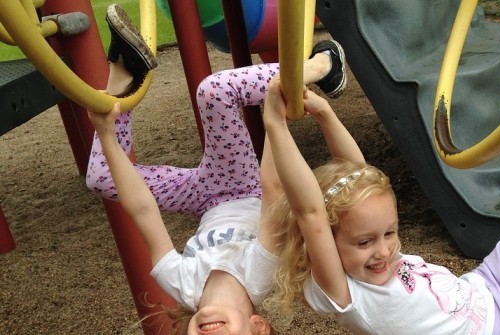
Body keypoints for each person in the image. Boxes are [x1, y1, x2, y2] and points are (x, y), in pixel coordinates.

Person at [261, 68, 500, 334]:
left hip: (484, 283)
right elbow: (311, 210)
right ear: (326, 242)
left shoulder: (362, 247)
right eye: (364, 242)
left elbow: (358, 174)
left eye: (389, 233)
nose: (383, 251)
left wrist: (327, 113)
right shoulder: (342, 292)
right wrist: (274, 125)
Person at [85, 4, 348, 334]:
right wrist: (276, 119)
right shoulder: (260, 274)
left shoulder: (181, 285)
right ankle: (323, 66)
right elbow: (275, 192)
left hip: (201, 199)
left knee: (102, 177)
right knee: (214, 92)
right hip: (241, 188)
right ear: (258, 327)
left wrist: (107, 134)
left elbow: (141, 209)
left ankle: (124, 76)